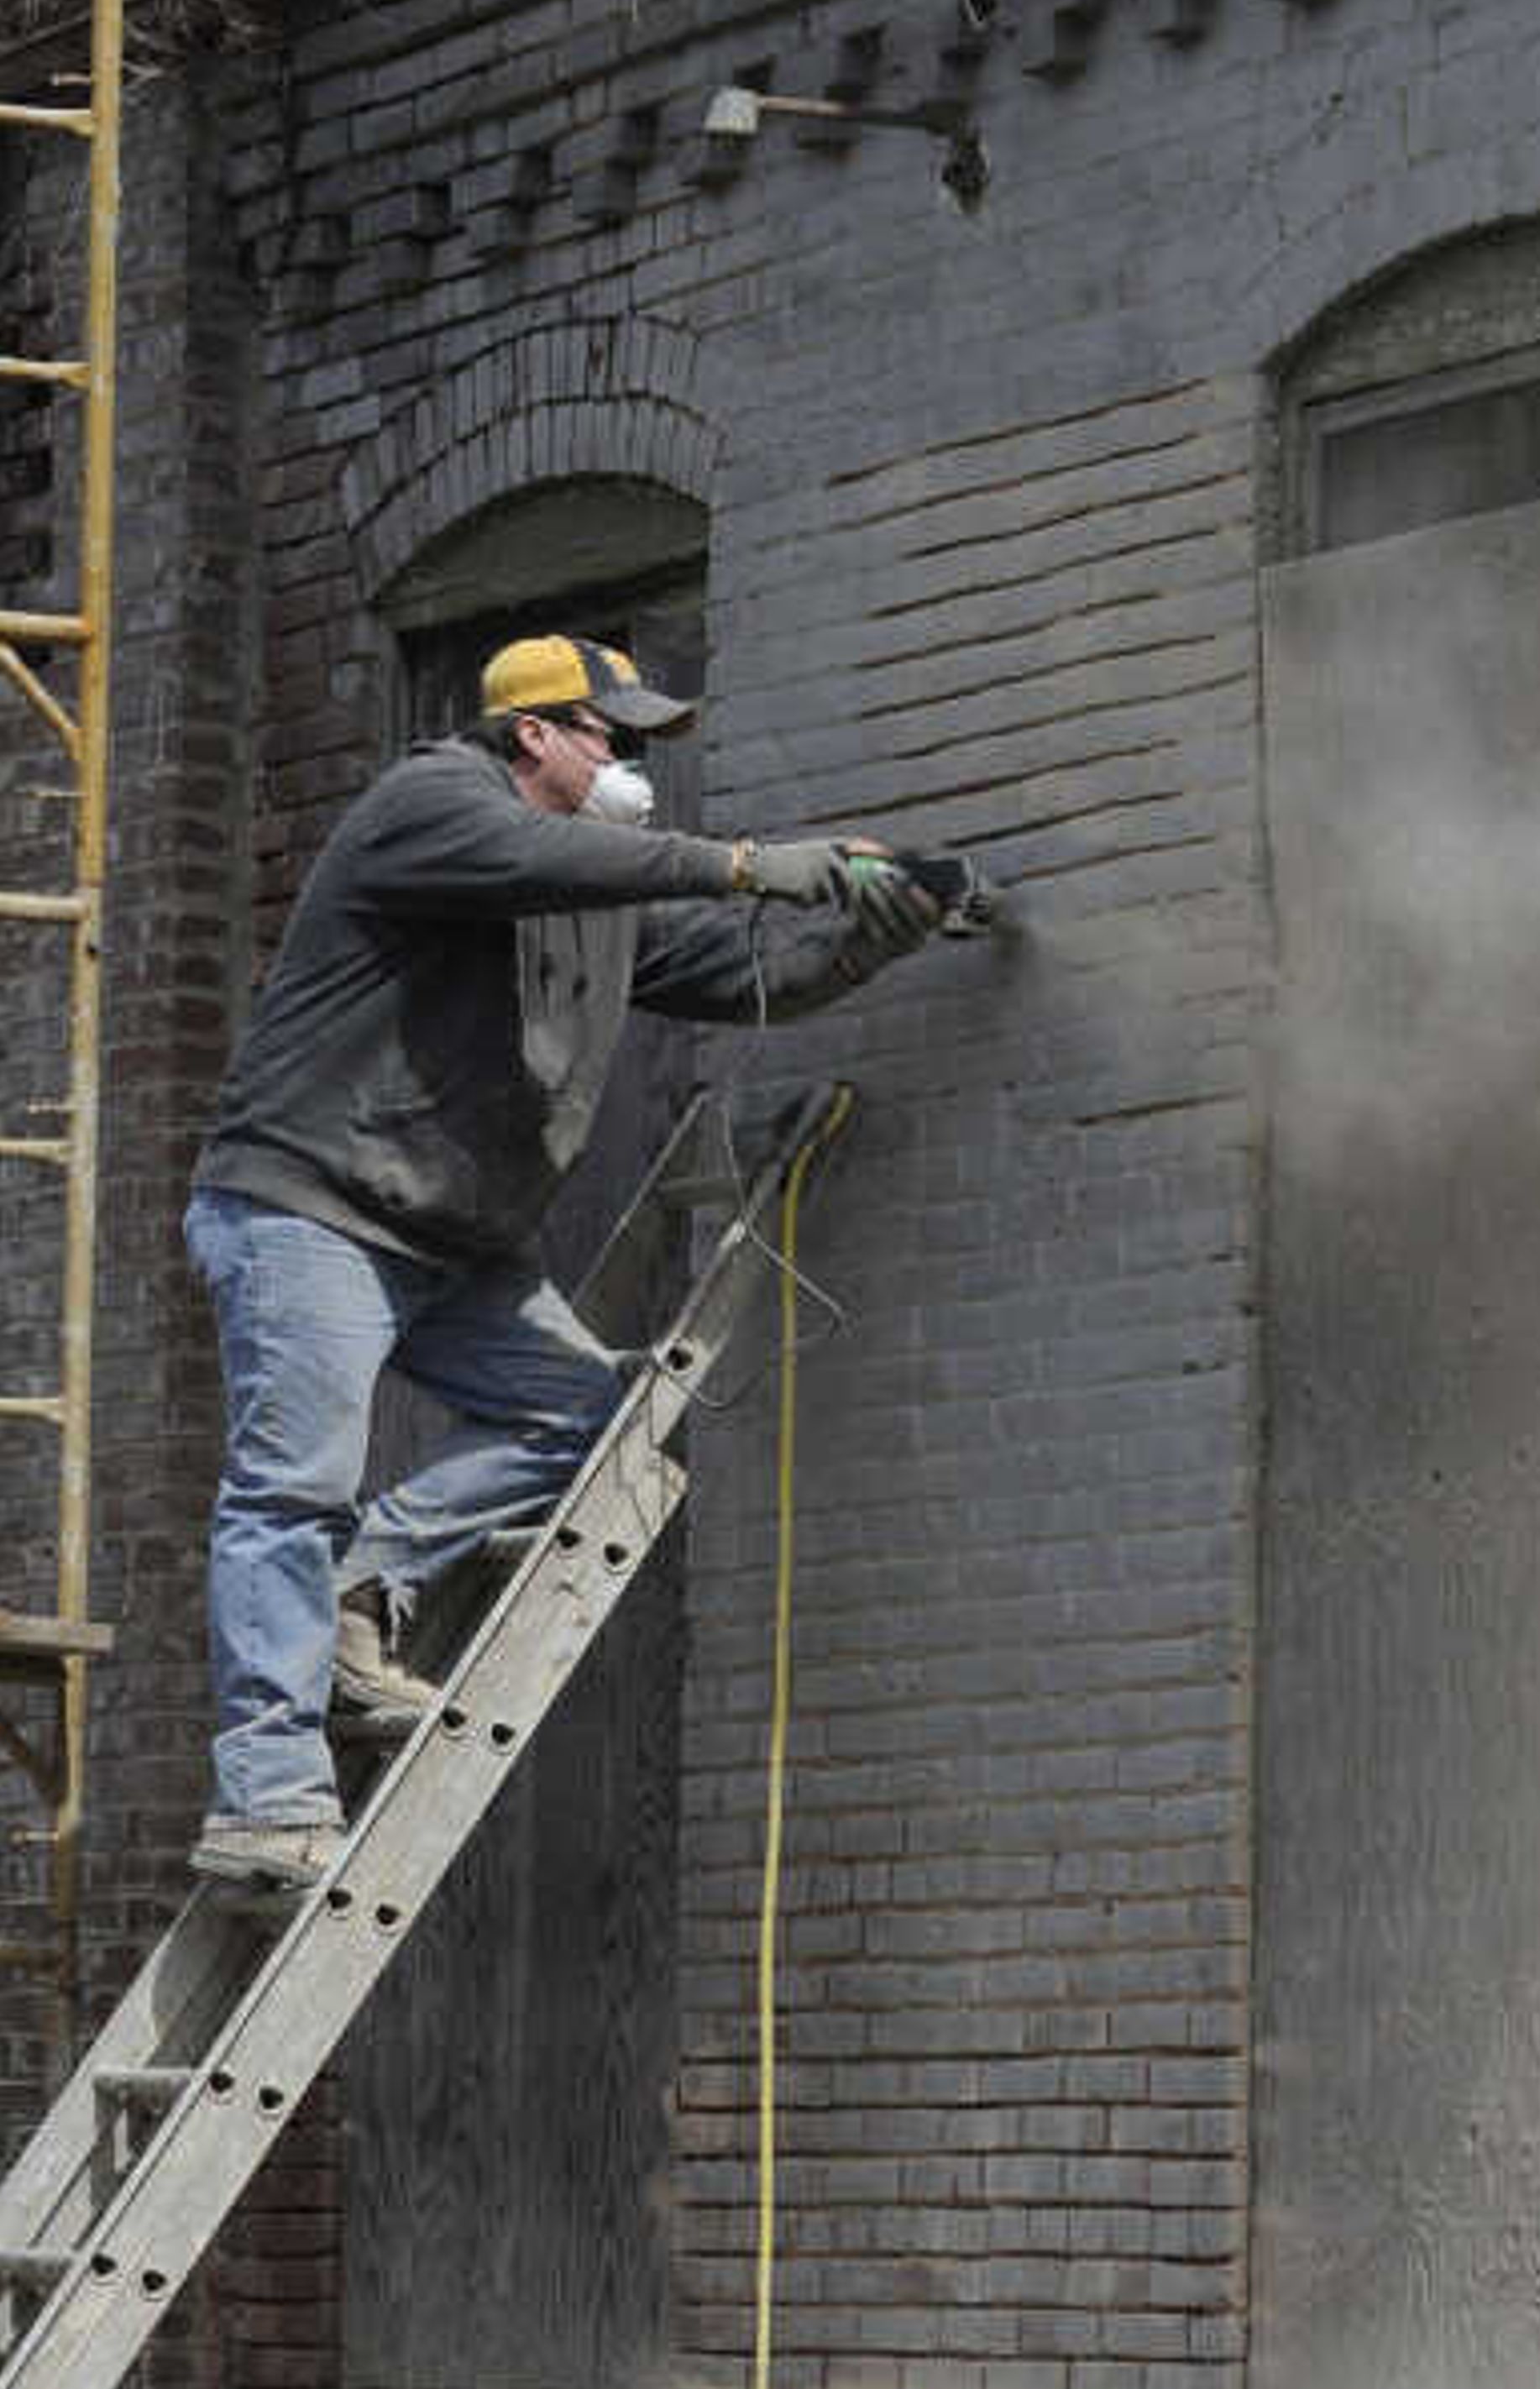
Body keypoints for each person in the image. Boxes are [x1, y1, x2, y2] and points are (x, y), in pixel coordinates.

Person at [183, 628, 970, 1886]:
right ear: (533, 734)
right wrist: (761, 863)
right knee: (292, 1490)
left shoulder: (589, 900)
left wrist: (887, 916)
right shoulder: (433, 798)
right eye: (609, 732)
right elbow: (540, 857)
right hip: (314, 1210)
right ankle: (267, 1796)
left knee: (587, 1419)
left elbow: (731, 972)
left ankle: (365, 1588)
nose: (627, 758)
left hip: (451, 1236)